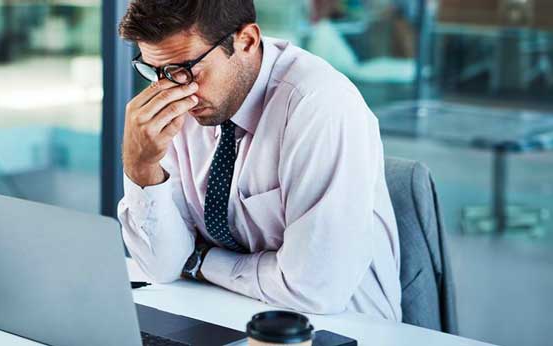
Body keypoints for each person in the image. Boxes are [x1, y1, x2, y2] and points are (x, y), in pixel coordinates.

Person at [116, 0, 402, 321]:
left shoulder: (320, 105)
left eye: (186, 69)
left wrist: (201, 261)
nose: (171, 88)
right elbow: (163, 264)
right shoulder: (186, 103)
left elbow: (314, 289)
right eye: (156, 72)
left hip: (340, 328)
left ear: (247, 41)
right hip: (224, 314)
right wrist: (141, 167)